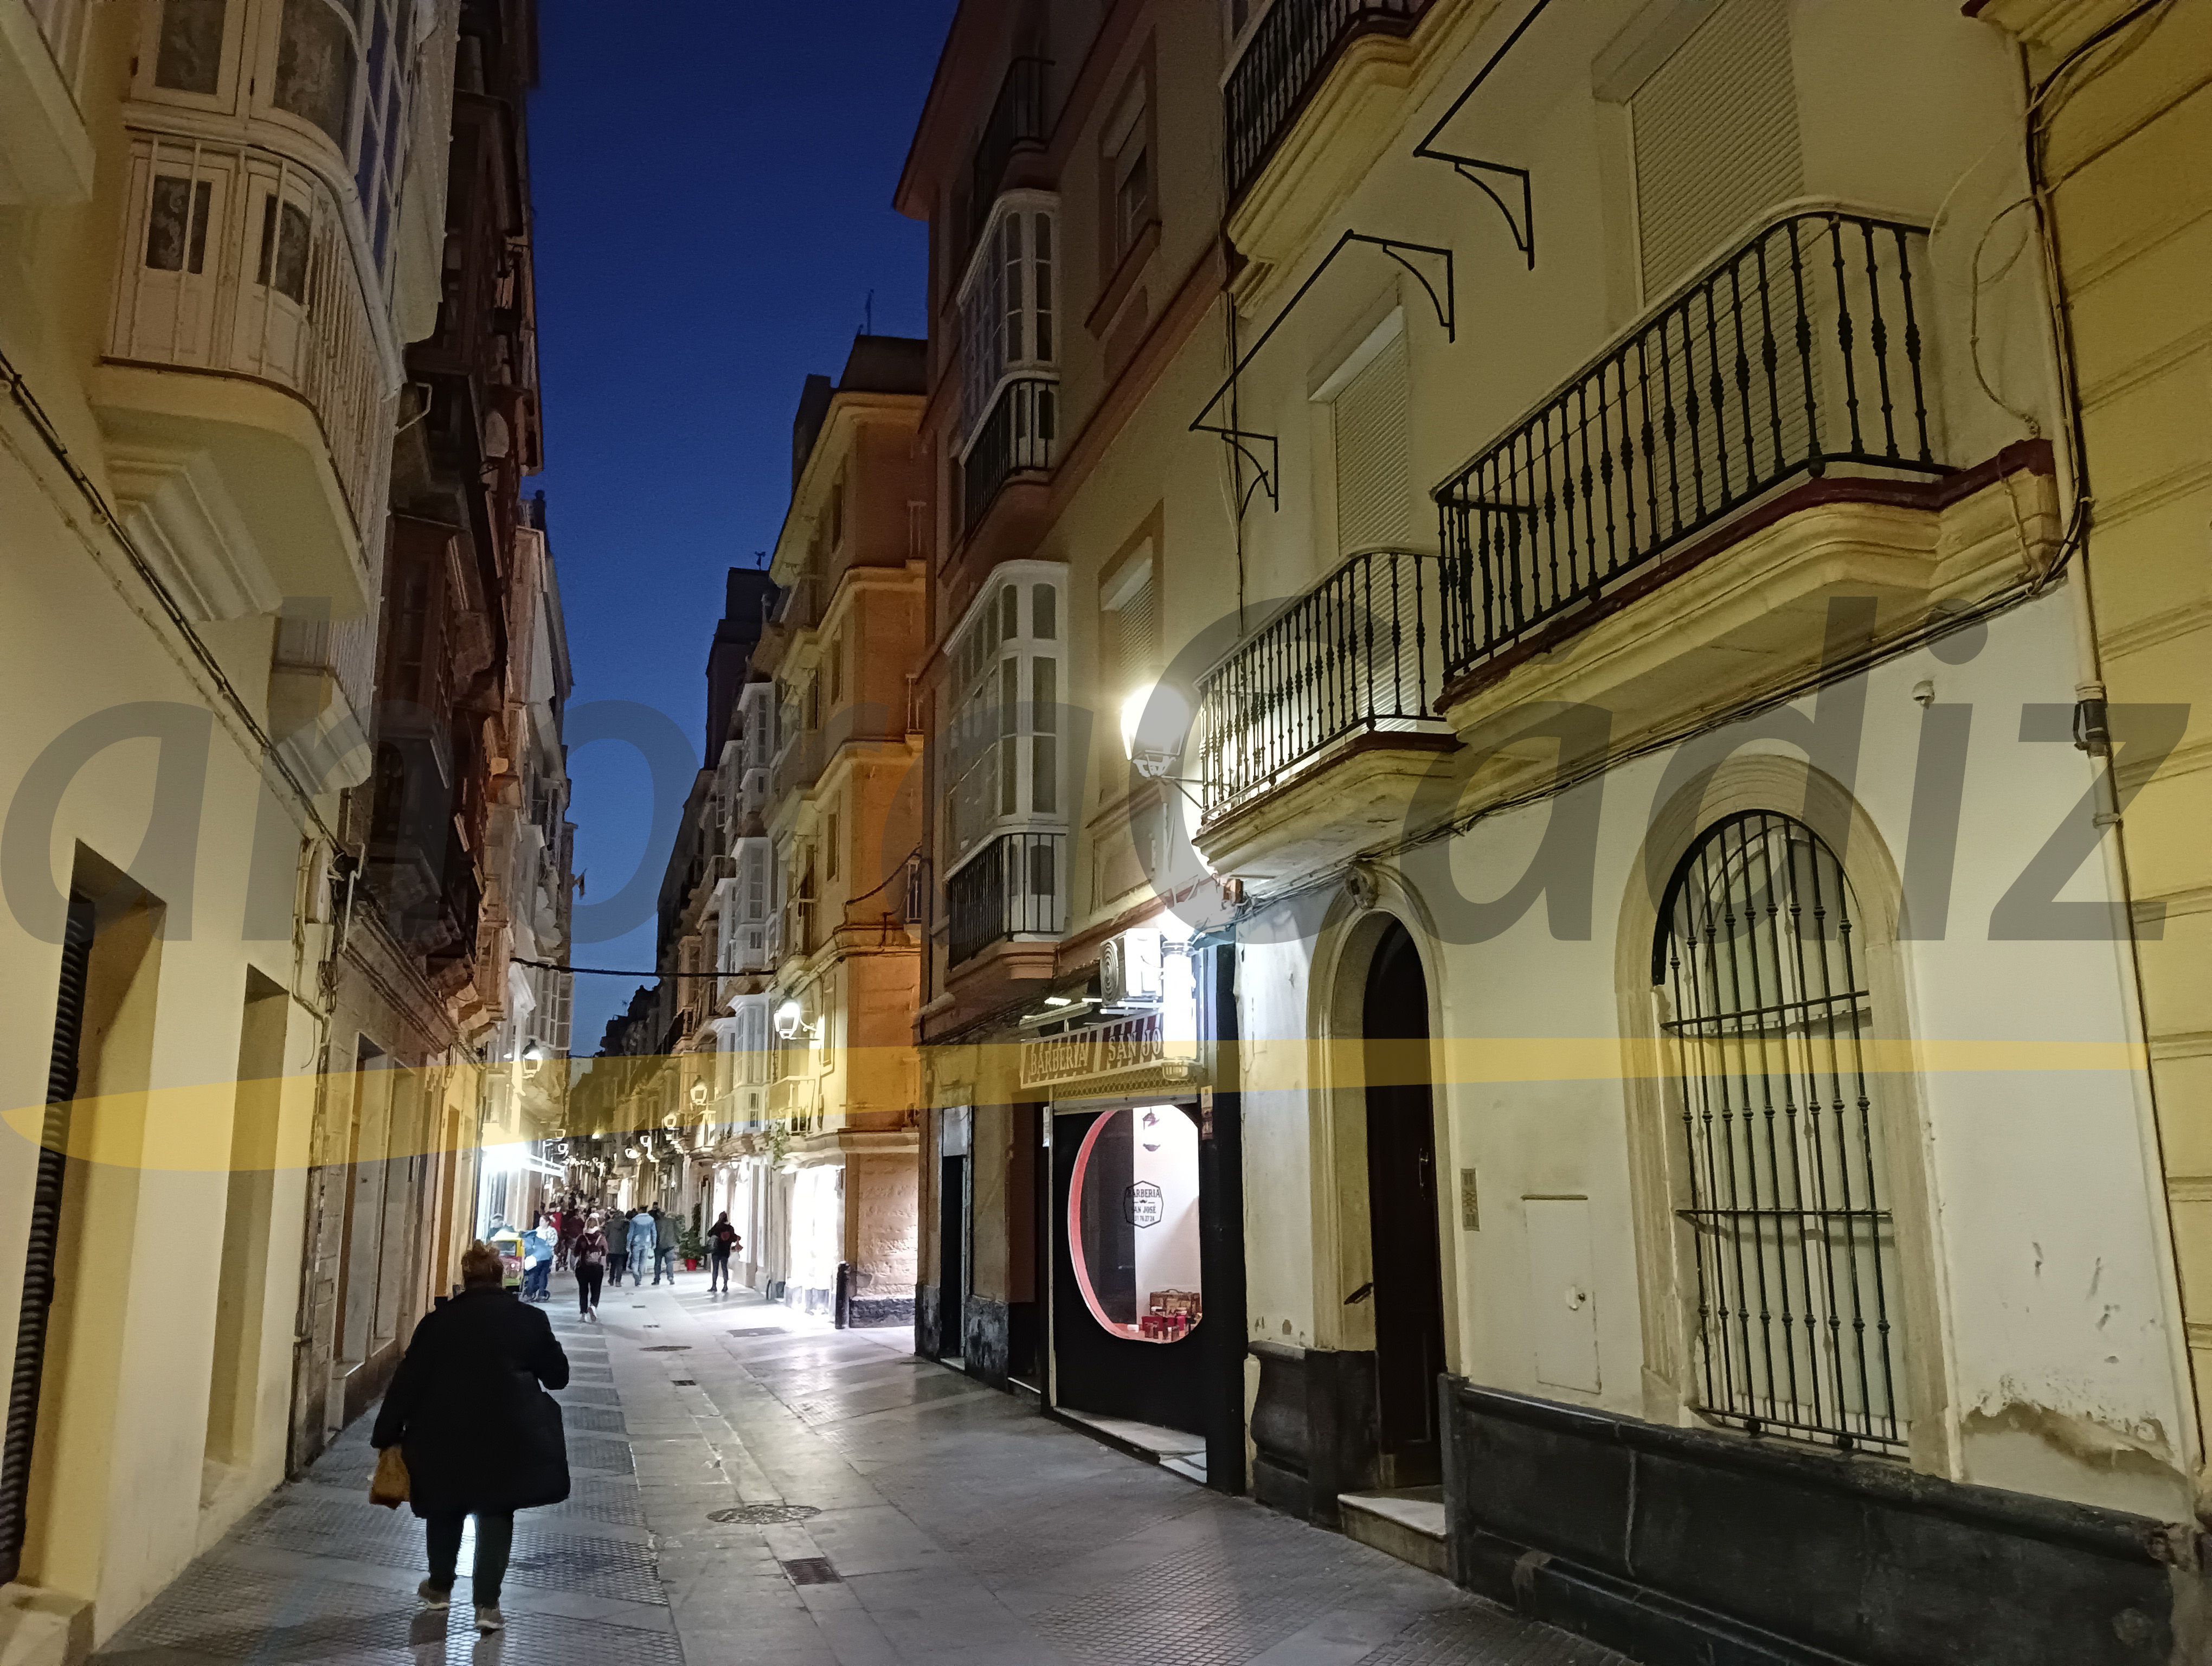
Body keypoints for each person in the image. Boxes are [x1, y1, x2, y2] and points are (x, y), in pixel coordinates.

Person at [372, 1241, 569, 1634]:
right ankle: (488, 1605)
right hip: (507, 1433)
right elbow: (558, 1377)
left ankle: (439, 1588)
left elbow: (408, 1381)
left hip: (441, 1431)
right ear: (501, 1277)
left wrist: (387, 1433)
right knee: (496, 1509)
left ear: (465, 1279)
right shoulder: (529, 1319)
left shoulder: (436, 1323)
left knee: (445, 1505)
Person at [573, 1213, 609, 1319]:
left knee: (583, 1291)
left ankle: (583, 1314)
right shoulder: (601, 1238)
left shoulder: (582, 1238)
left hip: (582, 1268)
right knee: (596, 1289)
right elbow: (606, 1251)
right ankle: (593, 1306)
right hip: (597, 1268)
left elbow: (575, 1253)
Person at [704, 1212, 740, 1294]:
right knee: (725, 1268)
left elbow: (709, 1234)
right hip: (725, 1251)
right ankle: (725, 1286)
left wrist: (717, 1224)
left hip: (716, 1251)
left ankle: (714, 1286)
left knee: (715, 1269)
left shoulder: (717, 1227)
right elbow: (734, 1239)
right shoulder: (730, 1228)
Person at [524, 1214, 556, 1302]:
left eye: (542, 1221)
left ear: (548, 1222)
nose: (540, 1223)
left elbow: (553, 1242)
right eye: (540, 1221)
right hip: (540, 1256)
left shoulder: (551, 1231)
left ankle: (535, 1294)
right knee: (537, 1275)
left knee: (538, 1275)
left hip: (543, 1256)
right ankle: (536, 1294)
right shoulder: (537, 1230)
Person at [626, 1206, 657, 1288]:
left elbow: (630, 1233)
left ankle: (635, 1273)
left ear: (640, 1211)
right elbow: (654, 1232)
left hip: (636, 1242)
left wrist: (628, 1245)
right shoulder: (651, 1220)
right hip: (646, 1242)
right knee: (643, 1262)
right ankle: (639, 1279)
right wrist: (654, 1243)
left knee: (635, 1261)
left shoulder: (634, 1220)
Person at [652, 1205, 680, 1285]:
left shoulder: (656, 1223)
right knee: (670, 1262)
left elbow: (655, 1234)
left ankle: (657, 1279)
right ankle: (671, 1277)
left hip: (659, 1245)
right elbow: (678, 1231)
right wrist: (677, 1241)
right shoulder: (672, 1221)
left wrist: (653, 1243)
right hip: (670, 1245)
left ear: (658, 1214)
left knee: (658, 1263)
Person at [606, 1208, 631, 1287]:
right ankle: (618, 1281)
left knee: (613, 1265)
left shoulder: (610, 1225)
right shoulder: (627, 1226)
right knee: (620, 1265)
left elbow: (606, 1235)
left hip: (612, 1248)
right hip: (622, 1248)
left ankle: (611, 1280)